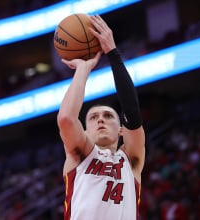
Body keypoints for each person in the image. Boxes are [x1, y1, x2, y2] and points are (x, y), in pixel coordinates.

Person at [57, 15, 145, 220]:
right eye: (93, 117)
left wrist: (113, 53)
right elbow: (67, 119)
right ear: (84, 131)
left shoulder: (131, 160)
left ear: (121, 129)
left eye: (108, 116)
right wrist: (83, 69)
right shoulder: (80, 156)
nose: (101, 120)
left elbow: (132, 113)